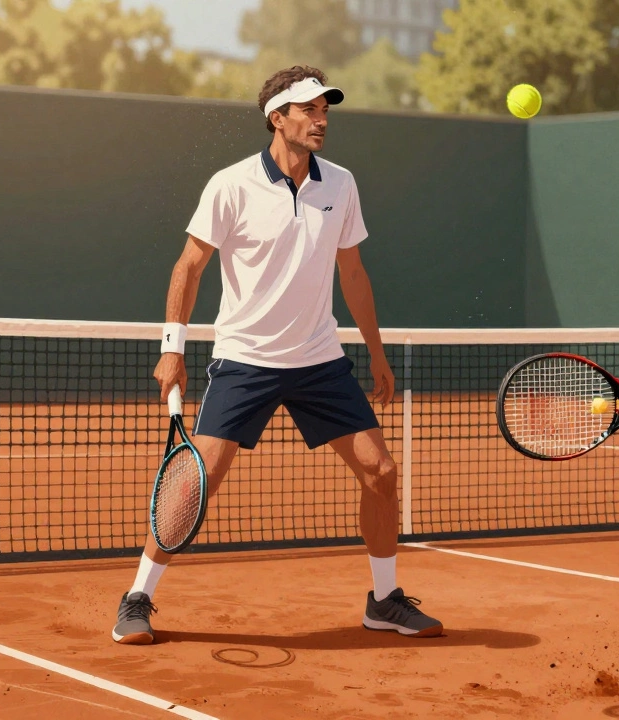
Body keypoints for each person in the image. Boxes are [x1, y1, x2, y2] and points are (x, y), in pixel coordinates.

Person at [111, 66, 442, 644]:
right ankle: (138, 596)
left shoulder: (340, 184)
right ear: (277, 117)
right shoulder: (231, 185)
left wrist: (376, 353)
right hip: (245, 360)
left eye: (325, 110)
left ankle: (385, 601)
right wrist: (173, 348)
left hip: (319, 360)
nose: (321, 120)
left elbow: (354, 271)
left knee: (381, 473)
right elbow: (189, 266)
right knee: (196, 481)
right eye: (309, 110)